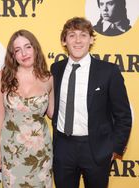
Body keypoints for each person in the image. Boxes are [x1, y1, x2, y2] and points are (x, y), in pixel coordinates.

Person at [51, 17, 132, 188]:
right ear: (64, 41)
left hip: (96, 148)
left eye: (83, 35)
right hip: (63, 147)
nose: (78, 40)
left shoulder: (108, 71)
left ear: (91, 39)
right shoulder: (55, 69)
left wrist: (115, 148)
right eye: (72, 35)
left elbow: (123, 114)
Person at [0, 29, 54, 187]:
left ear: (35, 48)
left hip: (40, 152)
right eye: (17, 50)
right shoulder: (3, 76)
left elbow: (53, 113)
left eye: (28, 47)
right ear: (13, 55)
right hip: (11, 149)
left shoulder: (48, 78)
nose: (24, 53)